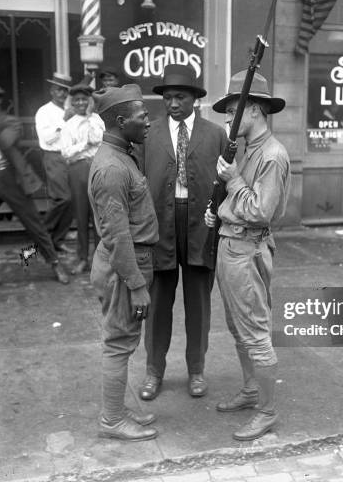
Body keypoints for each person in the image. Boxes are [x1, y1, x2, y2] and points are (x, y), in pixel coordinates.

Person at [204, 71, 290, 441]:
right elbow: (239, 204)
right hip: (230, 244)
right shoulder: (246, 150)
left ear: (253, 110)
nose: (227, 120)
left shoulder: (272, 155)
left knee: (255, 332)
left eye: (232, 111)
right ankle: (253, 390)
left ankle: (267, 412)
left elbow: (260, 212)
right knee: (239, 328)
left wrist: (234, 181)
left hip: (247, 248)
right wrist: (220, 209)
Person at [136, 64, 228, 401]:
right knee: (157, 302)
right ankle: (153, 371)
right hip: (160, 222)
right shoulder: (149, 133)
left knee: (198, 304)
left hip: (200, 225)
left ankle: (197, 370)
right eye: (167, 97)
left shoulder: (216, 135)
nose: (172, 103)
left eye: (180, 97)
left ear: (195, 99)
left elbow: (229, 184)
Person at [88, 85, 158, 441]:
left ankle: (117, 410)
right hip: (124, 267)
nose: (148, 121)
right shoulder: (113, 168)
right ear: (119, 121)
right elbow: (117, 235)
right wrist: (138, 286)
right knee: (118, 343)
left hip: (127, 262)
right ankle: (112, 420)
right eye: (142, 115)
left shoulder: (121, 155)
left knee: (123, 340)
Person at [0, 84, 69, 289]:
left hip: (12, 179)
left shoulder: (11, 122)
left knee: (35, 226)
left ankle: (55, 264)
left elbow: (5, 143)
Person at [61, 83, 105, 275]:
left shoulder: (98, 119)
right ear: (72, 102)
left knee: (99, 215)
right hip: (78, 170)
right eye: (77, 100)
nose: (81, 103)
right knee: (81, 215)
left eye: (84, 99)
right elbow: (66, 152)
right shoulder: (69, 124)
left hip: (98, 167)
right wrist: (84, 144)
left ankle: (99, 259)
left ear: (89, 101)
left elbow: (104, 140)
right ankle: (82, 258)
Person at [35, 73, 74, 253]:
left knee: (70, 201)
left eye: (65, 90)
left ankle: (57, 240)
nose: (62, 93)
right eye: (58, 89)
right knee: (62, 198)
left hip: (71, 157)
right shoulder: (44, 112)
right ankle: (40, 236)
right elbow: (47, 139)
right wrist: (64, 120)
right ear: (51, 91)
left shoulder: (70, 109)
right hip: (54, 157)